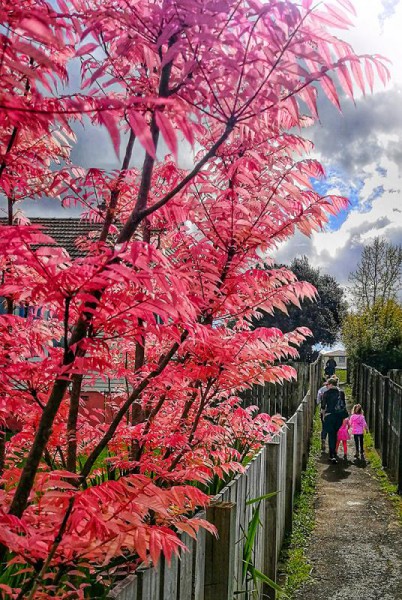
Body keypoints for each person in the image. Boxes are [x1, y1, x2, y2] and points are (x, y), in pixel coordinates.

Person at [321, 376, 347, 463]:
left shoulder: (326, 393)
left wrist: (323, 416)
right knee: (335, 434)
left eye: (327, 384)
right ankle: (334, 454)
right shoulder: (341, 393)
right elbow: (344, 405)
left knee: (331, 435)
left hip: (329, 416)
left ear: (331, 384)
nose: (326, 386)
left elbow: (323, 406)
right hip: (339, 417)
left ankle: (332, 454)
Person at [317, 379, 329, 452]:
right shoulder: (337, 390)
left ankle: (323, 439)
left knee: (324, 427)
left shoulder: (321, 390)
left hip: (323, 411)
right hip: (332, 412)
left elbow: (318, 400)